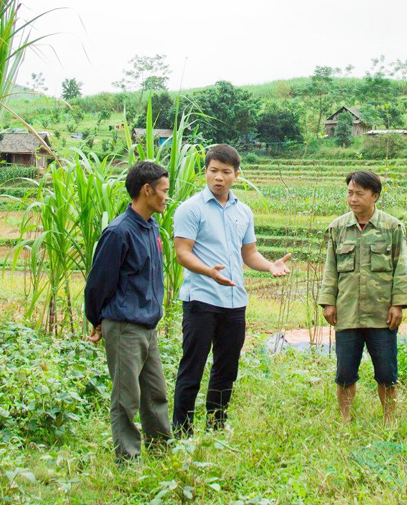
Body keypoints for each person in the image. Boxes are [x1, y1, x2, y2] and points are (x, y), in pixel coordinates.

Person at [172, 144, 291, 437]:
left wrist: (270, 266)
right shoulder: (191, 208)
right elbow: (182, 253)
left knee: (227, 368)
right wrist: (209, 272)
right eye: (213, 171)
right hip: (201, 299)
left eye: (226, 172)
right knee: (193, 367)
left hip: (235, 301)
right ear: (206, 172)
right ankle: (182, 432)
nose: (219, 178)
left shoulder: (243, 211)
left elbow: (249, 254)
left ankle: (215, 425)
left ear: (237, 175)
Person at [84, 161, 172, 462]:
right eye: (163, 191)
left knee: (155, 393)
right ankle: (129, 459)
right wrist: (97, 320)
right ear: (146, 190)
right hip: (124, 328)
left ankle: (161, 450)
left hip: (147, 327)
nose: (166, 197)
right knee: (126, 399)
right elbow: (98, 284)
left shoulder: (151, 227)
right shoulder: (119, 232)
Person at [317, 170, 407, 425]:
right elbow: (330, 268)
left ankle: (389, 420)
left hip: (382, 315)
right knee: (345, 373)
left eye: (359, 193)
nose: (353, 198)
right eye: (350, 192)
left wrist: (398, 305)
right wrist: (328, 302)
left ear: (375, 196)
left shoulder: (392, 227)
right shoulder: (338, 228)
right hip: (347, 313)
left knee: (386, 373)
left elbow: (401, 269)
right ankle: (345, 419)